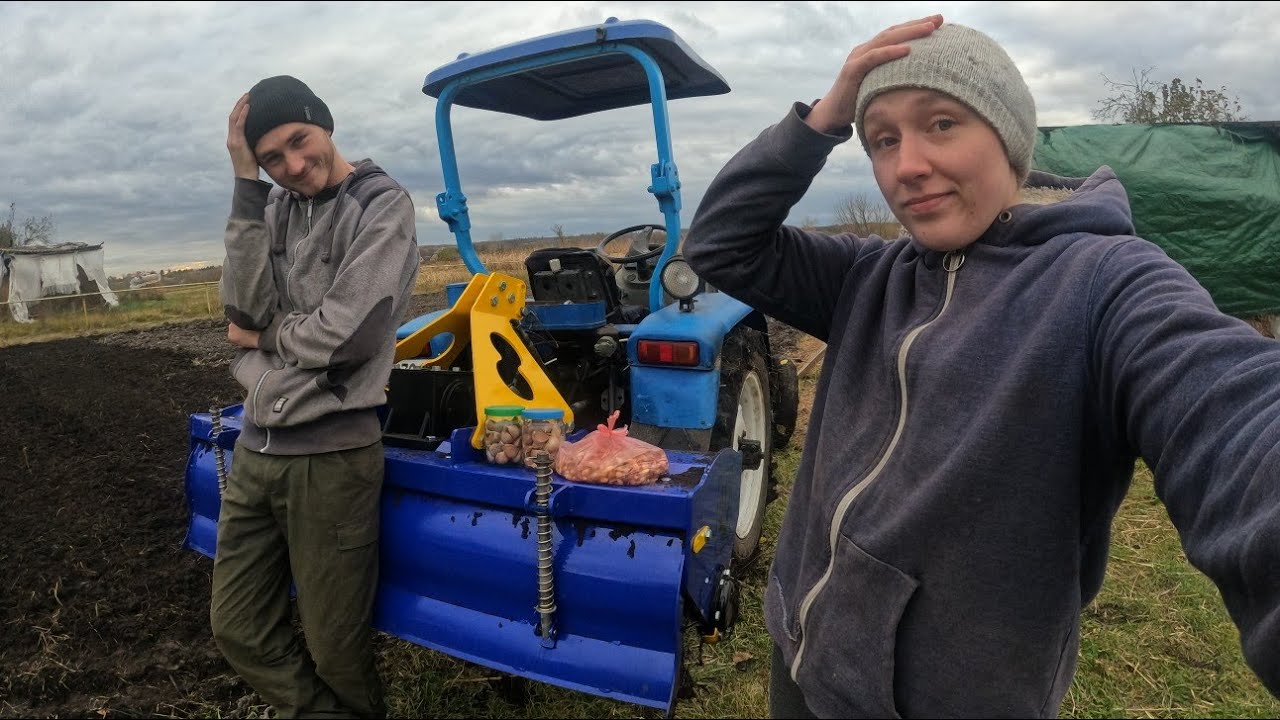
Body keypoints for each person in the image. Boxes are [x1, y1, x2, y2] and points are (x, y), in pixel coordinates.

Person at [684, 15, 1280, 719]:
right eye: (882, 139)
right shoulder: (868, 275)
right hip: (804, 655)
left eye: (941, 124)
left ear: (1007, 135)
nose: (906, 165)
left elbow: (1232, 414)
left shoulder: (1106, 285)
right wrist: (824, 117)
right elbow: (721, 244)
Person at [210, 75, 420, 719]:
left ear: (323, 123)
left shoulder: (381, 205)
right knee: (237, 627)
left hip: (332, 460)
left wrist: (267, 336)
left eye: (299, 142)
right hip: (255, 451)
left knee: (336, 651)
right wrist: (247, 186)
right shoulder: (272, 208)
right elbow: (239, 308)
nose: (293, 166)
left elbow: (346, 338)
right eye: (272, 158)